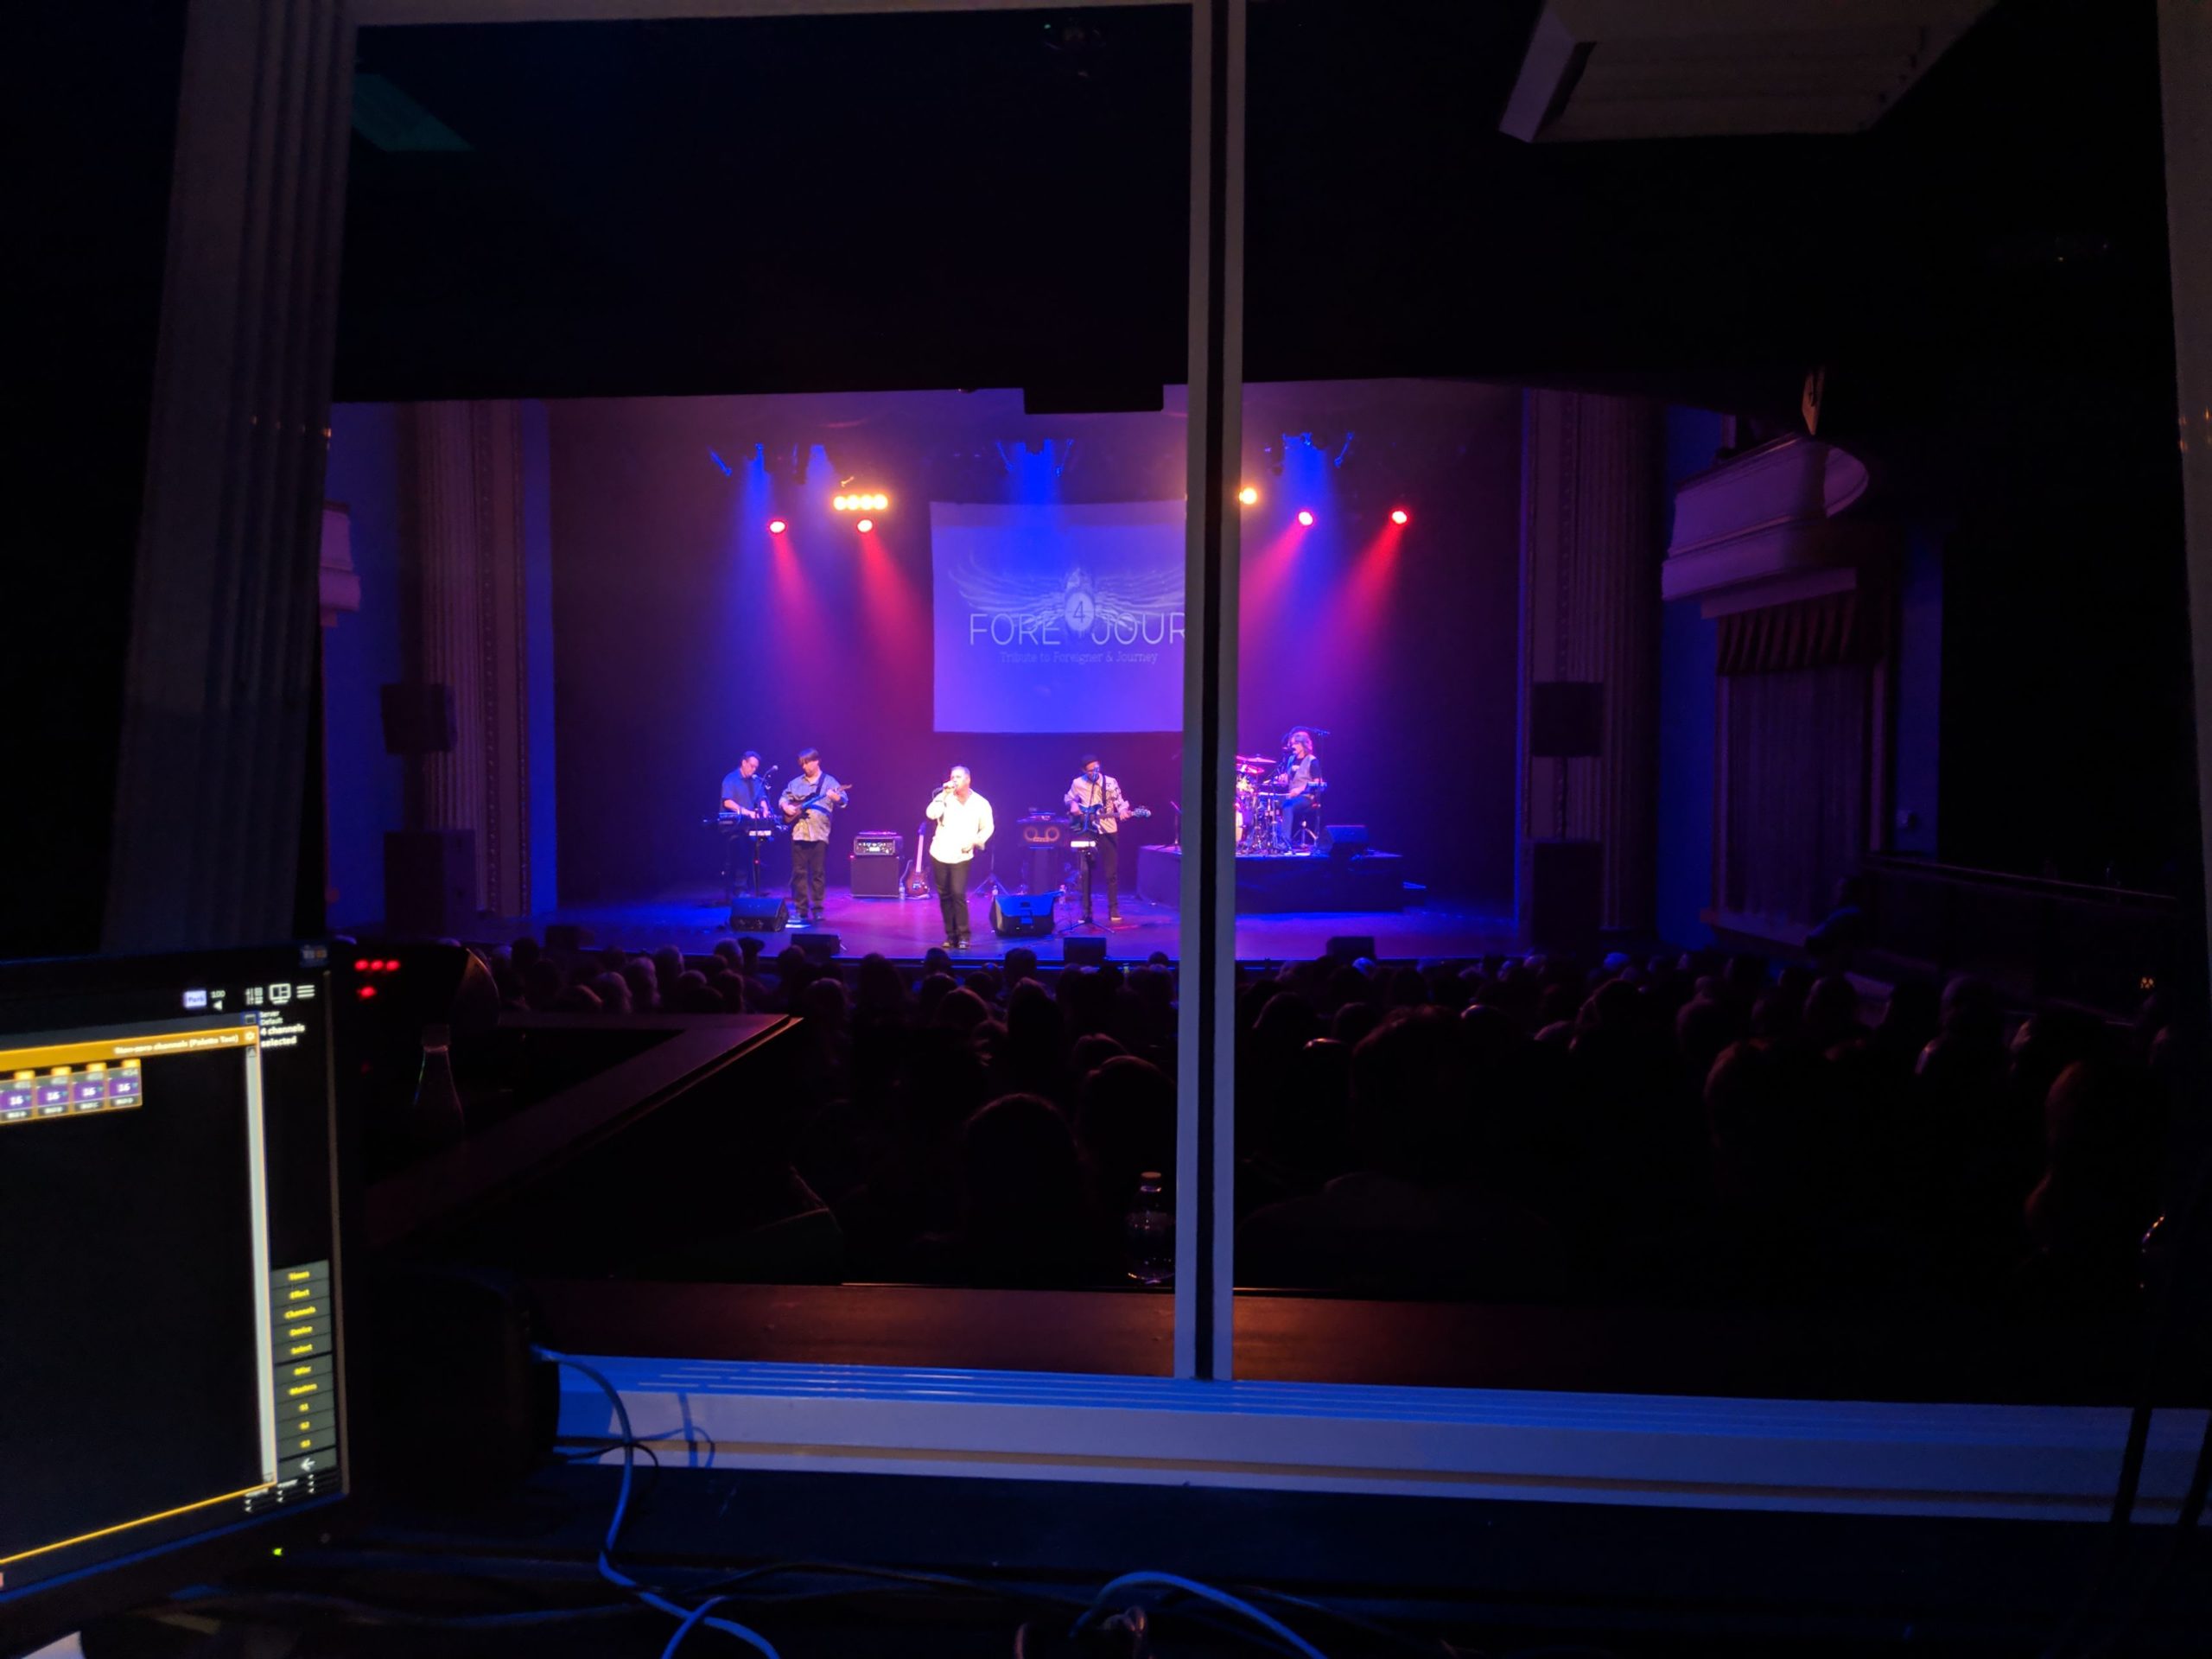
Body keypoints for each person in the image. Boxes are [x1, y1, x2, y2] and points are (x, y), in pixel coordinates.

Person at [924, 764, 994, 950]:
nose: (954, 780)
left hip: (962, 854)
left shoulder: (980, 803)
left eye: (958, 777)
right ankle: (951, 935)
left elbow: (988, 827)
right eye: (952, 777)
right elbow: (931, 814)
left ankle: (963, 935)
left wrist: (976, 841)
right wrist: (943, 795)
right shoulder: (943, 798)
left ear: (968, 780)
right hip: (940, 852)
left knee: (958, 893)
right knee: (944, 895)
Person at [779, 748, 847, 925]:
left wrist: (835, 797)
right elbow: (783, 798)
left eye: (807, 762)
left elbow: (844, 801)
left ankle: (817, 909)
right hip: (799, 833)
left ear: (817, 761)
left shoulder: (829, 781)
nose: (804, 767)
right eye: (802, 764)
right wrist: (786, 806)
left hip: (819, 833)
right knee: (799, 873)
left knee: (818, 873)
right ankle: (801, 910)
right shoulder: (795, 783)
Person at [1064, 753, 1132, 925]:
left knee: (1111, 872)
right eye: (1090, 770)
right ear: (1083, 771)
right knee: (1085, 871)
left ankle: (1113, 909)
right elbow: (1068, 798)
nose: (1094, 772)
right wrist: (1073, 804)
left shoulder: (1110, 782)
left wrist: (1123, 811)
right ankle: (1086, 912)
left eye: (1097, 768)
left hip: (1108, 829)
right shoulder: (1077, 783)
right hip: (1087, 830)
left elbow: (1120, 802)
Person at [1272, 728, 1325, 847]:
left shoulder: (1312, 761)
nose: (1292, 746)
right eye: (1291, 744)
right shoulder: (1291, 759)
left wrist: (1300, 790)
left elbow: (1318, 783)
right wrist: (1282, 778)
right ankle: (1270, 840)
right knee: (1270, 802)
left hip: (1307, 797)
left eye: (1295, 743)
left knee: (1288, 806)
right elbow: (1290, 777)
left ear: (1303, 744)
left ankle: (1284, 842)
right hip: (1291, 796)